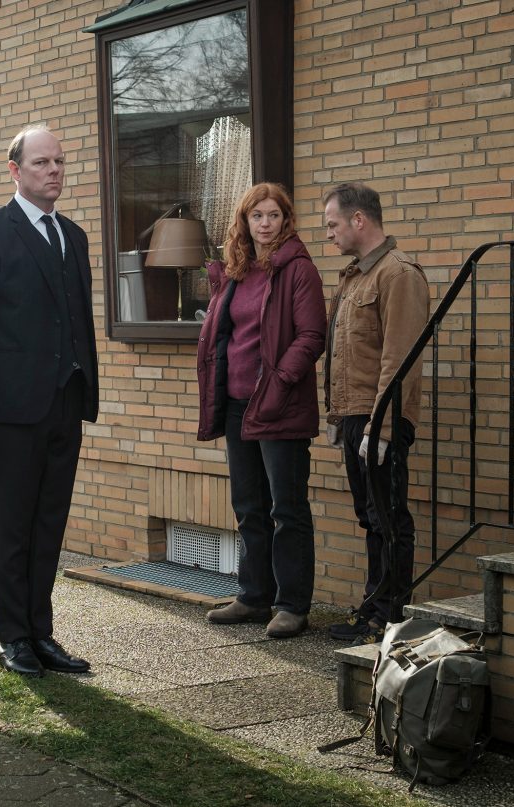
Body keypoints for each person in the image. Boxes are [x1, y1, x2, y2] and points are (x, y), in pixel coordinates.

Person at [0, 125, 98, 677]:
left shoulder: (74, 237)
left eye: (58, 161)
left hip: (64, 404)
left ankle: (42, 634)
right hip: (7, 409)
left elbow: (75, 319)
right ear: (15, 170)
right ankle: (13, 637)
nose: (53, 170)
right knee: (10, 527)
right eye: (40, 163)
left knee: (48, 524)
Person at [196, 183, 326, 639]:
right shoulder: (237, 270)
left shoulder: (298, 270)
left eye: (273, 215)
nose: (265, 224)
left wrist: (281, 381)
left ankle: (291, 605)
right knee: (249, 506)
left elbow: (311, 337)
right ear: (245, 222)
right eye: (257, 216)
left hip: (280, 405)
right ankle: (254, 596)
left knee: (286, 508)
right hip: (236, 404)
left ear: (284, 220)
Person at [321, 182, 430, 644]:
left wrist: (380, 428)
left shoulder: (398, 274)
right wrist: (338, 419)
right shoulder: (355, 276)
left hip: (378, 418)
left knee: (388, 518)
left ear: (358, 220)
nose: (329, 234)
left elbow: (399, 358)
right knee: (371, 517)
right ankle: (374, 611)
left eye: (332, 224)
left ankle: (389, 618)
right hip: (355, 417)